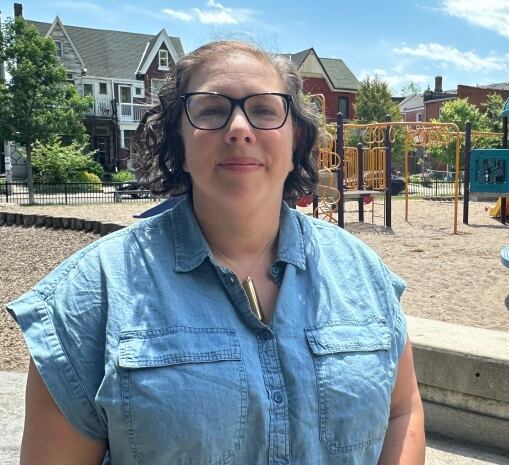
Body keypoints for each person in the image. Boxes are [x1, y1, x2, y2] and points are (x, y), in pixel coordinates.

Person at [7, 41, 425, 465]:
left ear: (295, 139)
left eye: (264, 110)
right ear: (179, 142)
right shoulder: (90, 296)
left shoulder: (362, 273)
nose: (239, 128)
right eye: (210, 110)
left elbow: (402, 410)